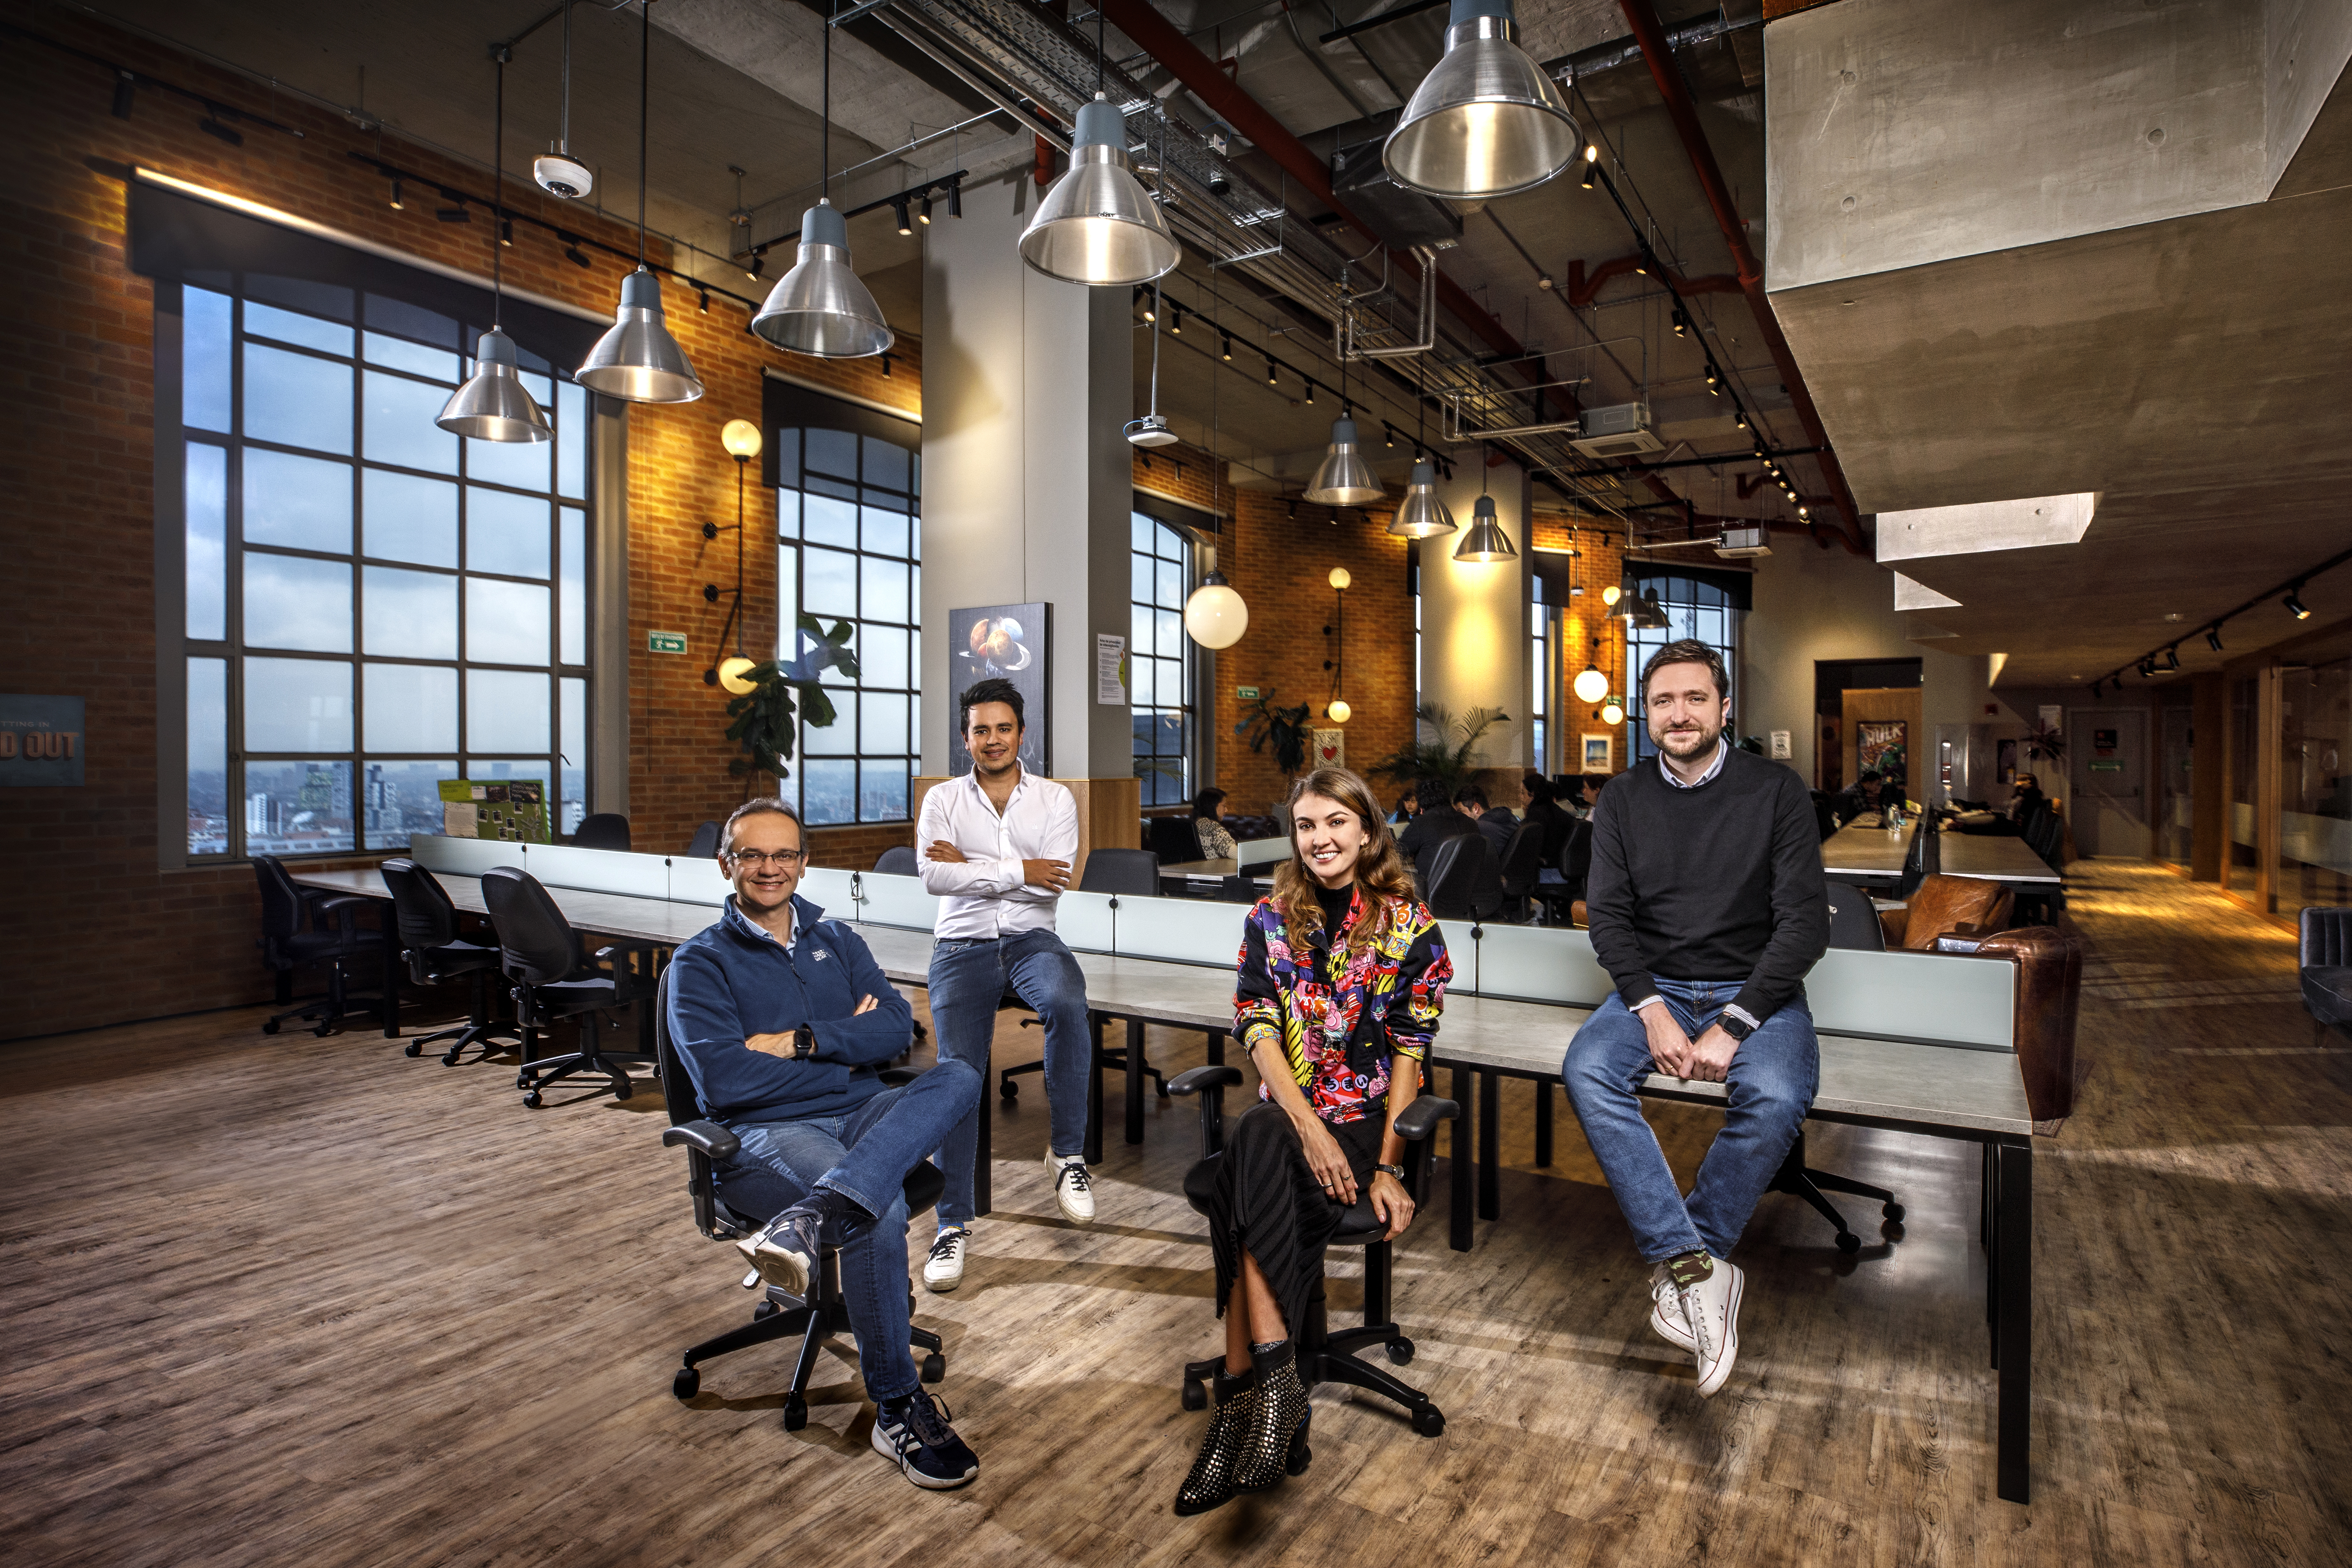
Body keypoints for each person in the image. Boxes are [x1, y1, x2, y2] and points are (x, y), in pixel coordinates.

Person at [666, 799, 985, 1489]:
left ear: (805, 863)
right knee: (876, 1208)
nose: (770, 868)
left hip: (860, 1112)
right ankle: (896, 1405)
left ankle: (813, 1213)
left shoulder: (836, 940)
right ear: (727, 864)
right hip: (763, 1134)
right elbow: (724, 1077)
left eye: (784, 855)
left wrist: (802, 1041)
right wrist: (845, 1042)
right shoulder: (699, 964)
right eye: (752, 854)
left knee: (959, 1073)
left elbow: (897, 1028)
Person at [1173, 766, 1451, 1516]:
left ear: (1366, 830)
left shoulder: (1408, 926)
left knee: (1244, 1172)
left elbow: (1409, 1052)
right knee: (1265, 1129)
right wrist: (1308, 1127)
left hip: (1363, 1125)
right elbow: (1257, 1029)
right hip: (1293, 1122)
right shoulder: (1268, 918)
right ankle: (1275, 1386)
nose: (1320, 838)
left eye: (1335, 822)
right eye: (1306, 825)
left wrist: (1389, 1165)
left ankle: (1243, 1403)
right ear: (1293, 837)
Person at [1560, 638, 1829, 1399]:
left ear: (1724, 706)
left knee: (1775, 1095)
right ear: (1646, 714)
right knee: (1585, 1068)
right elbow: (1607, 919)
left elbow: (1804, 926)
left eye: (1694, 698)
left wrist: (1735, 1021)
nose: (1678, 714)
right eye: (1662, 701)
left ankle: (1695, 1263)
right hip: (1659, 986)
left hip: (1758, 990)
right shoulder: (1622, 798)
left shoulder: (1775, 791)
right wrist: (1650, 1008)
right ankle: (1694, 1268)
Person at [916, 677, 1095, 1294]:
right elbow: (934, 877)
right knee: (960, 1075)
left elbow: (1055, 883)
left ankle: (1067, 1155)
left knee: (1069, 1004)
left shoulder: (1056, 799)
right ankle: (953, 1223)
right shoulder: (941, 798)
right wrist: (1018, 869)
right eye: (980, 729)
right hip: (961, 944)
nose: (992, 739)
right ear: (965, 736)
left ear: (1023, 733)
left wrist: (972, 868)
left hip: (1031, 940)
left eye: (1004, 728)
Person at [1394, 776, 1475, 883]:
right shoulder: (1471, 823)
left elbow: (1396, 854)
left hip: (1432, 890)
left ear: (1421, 805)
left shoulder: (1421, 824)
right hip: (1468, 889)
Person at [1453, 782, 1517, 863]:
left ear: (1476, 808)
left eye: (1461, 812)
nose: (1459, 817)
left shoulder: (1478, 828)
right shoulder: (1510, 818)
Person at [1522, 771, 1574, 863]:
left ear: (1532, 794)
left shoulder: (1536, 813)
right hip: (1562, 864)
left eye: (1523, 793)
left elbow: (1531, 846)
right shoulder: (1555, 809)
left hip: (1547, 868)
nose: (1521, 797)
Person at [1193, 787, 1238, 860]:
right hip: (1212, 870)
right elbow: (1235, 854)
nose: (1226, 810)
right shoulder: (1212, 827)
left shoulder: (1195, 823)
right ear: (1214, 806)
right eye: (1224, 806)